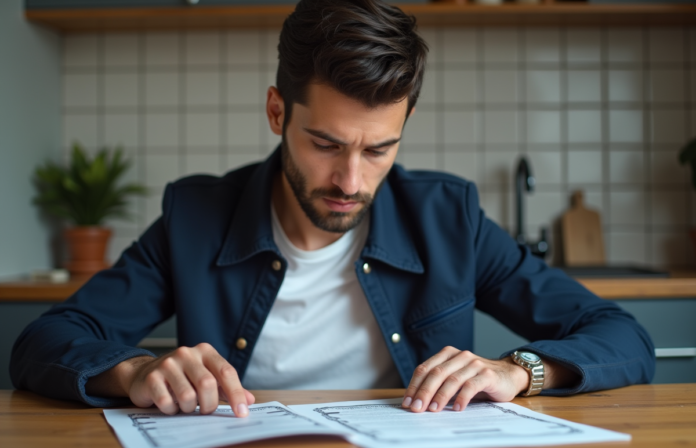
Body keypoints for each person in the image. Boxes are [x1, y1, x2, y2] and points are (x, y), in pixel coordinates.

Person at [11, 0, 654, 419]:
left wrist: (522, 370)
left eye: (380, 149)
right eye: (325, 144)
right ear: (276, 114)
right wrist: (136, 370)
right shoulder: (196, 217)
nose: (351, 179)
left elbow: (622, 334)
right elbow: (42, 341)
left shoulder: (448, 218)